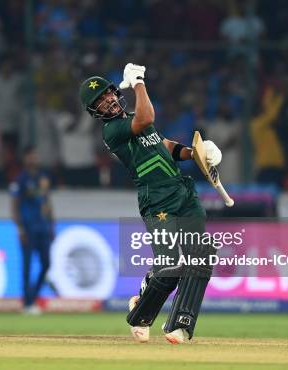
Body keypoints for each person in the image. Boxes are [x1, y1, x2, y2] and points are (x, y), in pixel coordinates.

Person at [78, 64, 222, 344]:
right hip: (156, 198)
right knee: (169, 265)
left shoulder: (133, 118)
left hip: (183, 193)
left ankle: (181, 324)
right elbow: (146, 118)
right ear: (95, 112)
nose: (108, 100)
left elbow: (162, 144)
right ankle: (141, 312)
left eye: (108, 94)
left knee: (200, 255)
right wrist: (139, 83)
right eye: (100, 101)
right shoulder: (113, 131)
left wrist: (196, 154)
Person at [10, 147, 55, 314]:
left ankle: (33, 297)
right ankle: (27, 303)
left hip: (43, 227)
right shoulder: (20, 179)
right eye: (31, 156)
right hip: (28, 228)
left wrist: (52, 225)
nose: (34, 159)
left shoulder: (43, 178)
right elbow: (14, 205)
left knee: (46, 264)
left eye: (35, 156)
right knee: (27, 266)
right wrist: (20, 228)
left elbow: (47, 201)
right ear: (25, 159)